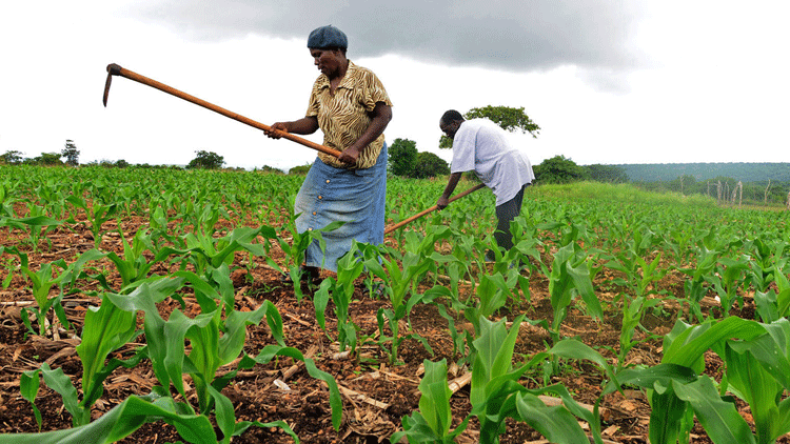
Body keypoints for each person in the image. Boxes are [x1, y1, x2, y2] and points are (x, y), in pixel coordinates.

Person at [264, 25, 393, 278]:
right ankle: (308, 268)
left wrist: (357, 147)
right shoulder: (320, 83)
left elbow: (384, 114)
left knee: (366, 221)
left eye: (319, 55)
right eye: (313, 56)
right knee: (306, 206)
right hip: (328, 159)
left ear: (337, 51)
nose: (315, 62)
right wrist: (287, 127)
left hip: (364, 163)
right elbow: (312, 122)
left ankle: (372, 276)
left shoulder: (364, 78)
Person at [437, 110, 534, 260]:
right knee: (510, 218)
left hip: (508, 168)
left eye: (446, 130)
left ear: (455, 123)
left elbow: (457, 170)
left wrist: (444, 197)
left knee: (506, 217)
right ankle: (505, 256)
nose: (447, 135)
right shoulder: (479, 123)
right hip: (519, 162)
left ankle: (513, 260)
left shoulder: (463, 132)